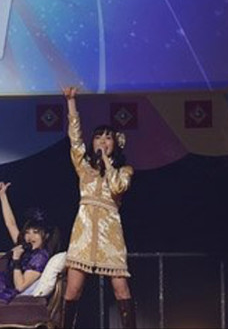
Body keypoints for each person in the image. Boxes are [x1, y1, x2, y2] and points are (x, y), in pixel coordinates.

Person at [61, 87, 135, 329]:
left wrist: (106, 162)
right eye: (98, 137)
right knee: (73, 290)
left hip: (110, 232)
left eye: (108, 137)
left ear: (115, 143)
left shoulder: (124, 170)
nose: (102, 141)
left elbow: (117, 187)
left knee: (121, 289)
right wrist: (71, 102)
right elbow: (75, 140)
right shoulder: (84, 168)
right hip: (83, 232)